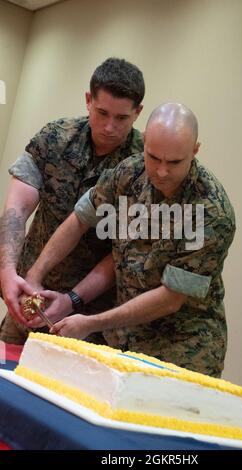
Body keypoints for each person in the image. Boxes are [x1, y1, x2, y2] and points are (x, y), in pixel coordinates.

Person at [23, 103, 236, 377]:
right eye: (153, 157)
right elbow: (79, 220)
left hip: (183, 352)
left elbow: (170, 298)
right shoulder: (129, 173)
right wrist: (35, 276)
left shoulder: (210, 210)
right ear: (144, 140)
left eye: (174, 162)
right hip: (124, 341)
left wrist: (91, 322)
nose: (161, 171)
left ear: (195, 150)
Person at [0, 57, 145, 344]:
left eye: (121, 118)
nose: (109, 127)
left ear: (137, 112)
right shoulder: (55, 137)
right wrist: (7, 271)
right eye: (102, 113)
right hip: (30, 291)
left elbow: (123, 251)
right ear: (88, 100)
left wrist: (72, 300)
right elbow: (18, 207)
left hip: (87, 313)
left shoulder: (142, 165)